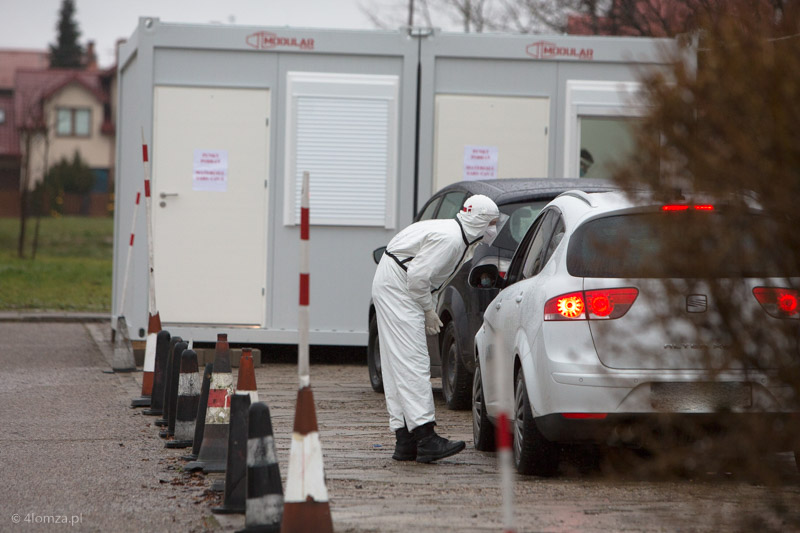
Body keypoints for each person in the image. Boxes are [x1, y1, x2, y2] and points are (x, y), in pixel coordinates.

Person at [371, 194, 500, 463]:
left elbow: (427, 278)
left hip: (393, 284)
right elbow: (418, 277)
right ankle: (426, 437)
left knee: (397, 364)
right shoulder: (452, 239)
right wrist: (428, 309)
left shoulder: (461, 239)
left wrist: (427, 304)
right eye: (491, 222)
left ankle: (405, 440)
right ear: (478, 221)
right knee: (413, 361)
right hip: (399, 288)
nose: (494, 229)